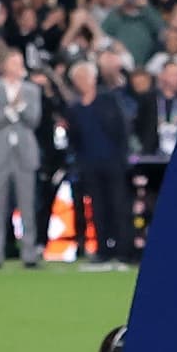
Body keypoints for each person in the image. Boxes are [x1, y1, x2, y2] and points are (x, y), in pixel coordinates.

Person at [59, 53, 136, 263]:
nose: (81, 82)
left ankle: (123, 249)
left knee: (118, 206)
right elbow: (74, 138)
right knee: (98, 208)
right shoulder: (74, 109)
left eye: (84, 77)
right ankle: (103, 248)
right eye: (78, 79)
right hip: (89, 164)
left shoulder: (109, 100)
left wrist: (123, 157)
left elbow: (122, 129)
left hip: (113, 162)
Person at [0, 50, 45, 265]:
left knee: (27, 206)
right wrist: (11, 109)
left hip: (25, 154)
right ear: (4, 65)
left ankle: (29, 253)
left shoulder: (31, 90)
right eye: (14, 62)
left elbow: (34, 120)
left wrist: (20, 107)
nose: (19, 66)